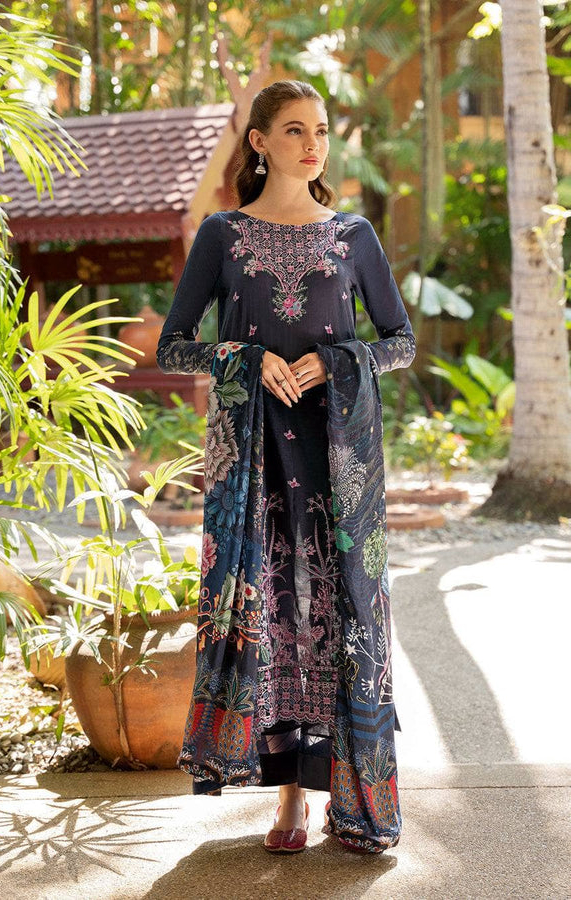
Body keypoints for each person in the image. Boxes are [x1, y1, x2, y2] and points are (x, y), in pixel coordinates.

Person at [157, 79, 416, 854]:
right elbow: (175, 345)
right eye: (296, 129)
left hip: (339, 458)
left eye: (322, 130)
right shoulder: (222, 235)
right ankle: (289, 801)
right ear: (260, 141)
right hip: (254, 456)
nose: (314, 145)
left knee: (339, 612)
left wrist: (336, 362)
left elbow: (399, 341)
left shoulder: (354, 237)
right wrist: (245, 355)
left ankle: (352, 796)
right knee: (271, 611)